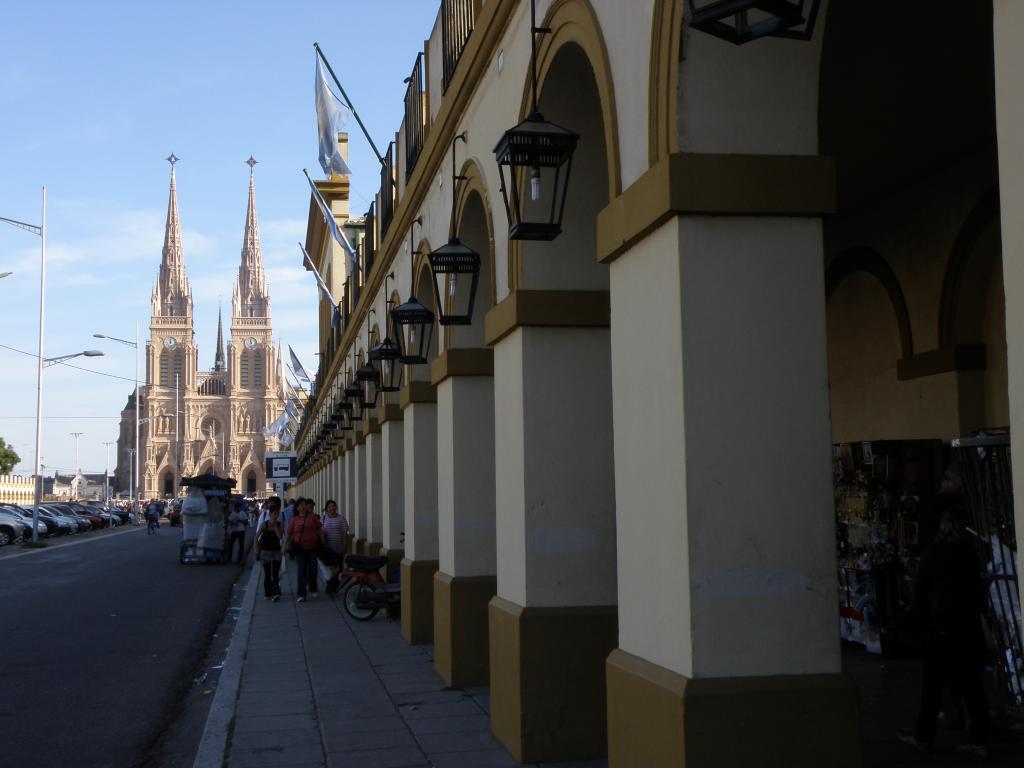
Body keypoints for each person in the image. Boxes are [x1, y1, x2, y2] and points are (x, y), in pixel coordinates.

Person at [899, 507, 990, 757]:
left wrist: (911, 618)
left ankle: (924, 736)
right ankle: (979, 739)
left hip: (942, 627)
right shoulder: (973, 553)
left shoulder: (934, 553)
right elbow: (981, 590)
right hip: (969, 626)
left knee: (933, 687)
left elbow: (919, 590)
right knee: (973, 688)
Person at [286, 498, 324, 602]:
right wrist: (285, 546)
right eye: (301, 505)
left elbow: (319, 529)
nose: (303, 507)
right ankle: (301, 594)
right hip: (300, 548)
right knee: (301, 571)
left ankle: (313, 588)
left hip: (313, 547)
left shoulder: (312, 517)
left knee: (313, 569)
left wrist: (323, 541)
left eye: (304, 505)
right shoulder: (295, 519)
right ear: (297, 508)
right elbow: (289, 534)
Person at [253, 504, 283, 601]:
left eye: (277, 514)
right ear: (270, 514)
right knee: (267, 573)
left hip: (276, 552)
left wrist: (275, 527)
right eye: (274, 514)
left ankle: (276, 593)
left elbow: (279, 537)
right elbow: (256, 536)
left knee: (275, 573)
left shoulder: (279, 524)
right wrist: (256, 547)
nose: (276, 515)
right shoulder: (264, 524)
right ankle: (267, 593)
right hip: (265, 551)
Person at [321, 499, 349, 594]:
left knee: (339, 568)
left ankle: (334, 587)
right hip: (328, 549)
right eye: (329, 506)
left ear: (336, 507)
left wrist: (345, 544)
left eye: (333, 506)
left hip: (339, 547)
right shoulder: (324, 518)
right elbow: (320, 532)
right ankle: (331, 588)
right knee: (330, 569)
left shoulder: (341, 518)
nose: (331, 508)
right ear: (326, 509)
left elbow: (345, 532)